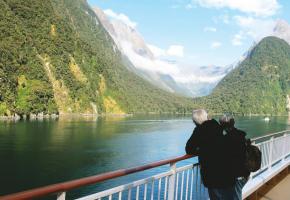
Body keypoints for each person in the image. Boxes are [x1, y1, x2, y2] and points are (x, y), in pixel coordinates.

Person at [185, 109, 236, 200]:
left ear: (195, 121)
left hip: (212, 173)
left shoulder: (199, 130)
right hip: (227, 169)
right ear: (206, 116)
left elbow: (189, 149)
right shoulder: (216, 125)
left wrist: (201, 150)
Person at [219, 114, 250, 200]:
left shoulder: (226, 139)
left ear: (222, 125)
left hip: (237, 175)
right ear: (234, 123)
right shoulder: (241, 136)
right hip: (245, 173)